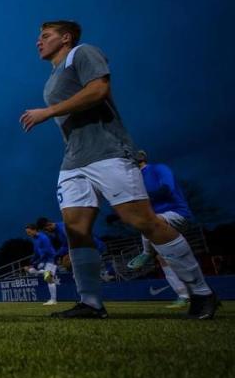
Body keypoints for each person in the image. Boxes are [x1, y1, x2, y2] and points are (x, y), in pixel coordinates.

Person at [20, 20, 218, 319]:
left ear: (66, 38)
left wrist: (48, 111)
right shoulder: (51, 78)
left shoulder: (82, 53)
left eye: (45, 36)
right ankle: (91, 303)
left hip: (108, 152)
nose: (39, 41)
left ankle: (202, 292)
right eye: (39, 37)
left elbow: (99, 89)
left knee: (141, 220)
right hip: (74, 160)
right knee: (75, 229)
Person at [125, 151, 193, 308]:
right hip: (157, 222)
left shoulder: (158, 169)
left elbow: (166, 187)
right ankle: (184, 296)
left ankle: (146, 252)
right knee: (164, 258)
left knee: (148, 223)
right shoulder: (134, 180)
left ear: (141, 158)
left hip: (176, 213)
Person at [24, 224, 58, 305]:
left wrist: (35, 264)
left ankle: (53, 300)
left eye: (29, 232)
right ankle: (47, 272)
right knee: (32, 271)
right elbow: (36, 253)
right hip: (44, 261)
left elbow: (46, 252)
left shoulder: (44, 238)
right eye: (27, 233)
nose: (28, 234)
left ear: (35, 230)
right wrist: (30, 263)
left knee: (48, 278)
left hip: (51, 260)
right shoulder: (35, 240)